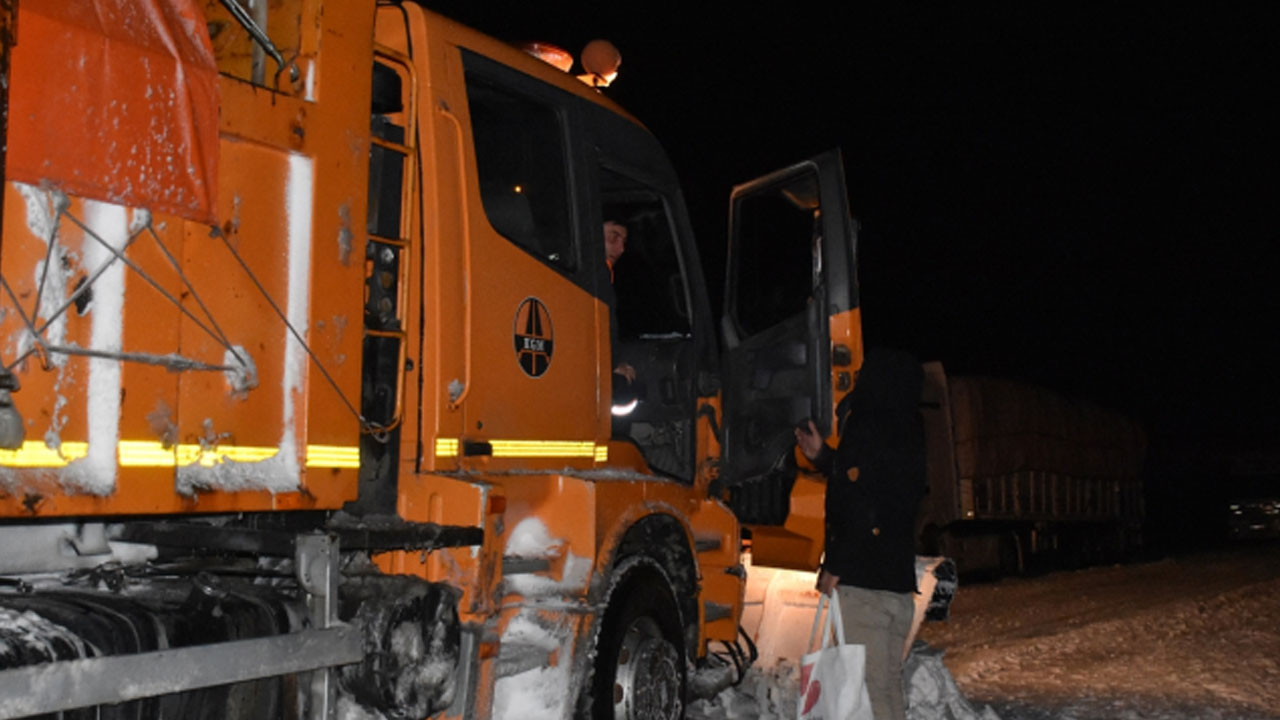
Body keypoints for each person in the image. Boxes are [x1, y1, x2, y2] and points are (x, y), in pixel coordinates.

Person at [794, 348, 926, 720]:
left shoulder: (866, 421)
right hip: (896, 587)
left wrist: (836, 564)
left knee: (869, 697)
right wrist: (825, 458)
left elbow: (860, 502)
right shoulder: (908, 429)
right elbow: (878, 486)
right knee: (886, 688)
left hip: (863, 586)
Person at [603, 220, 635, 384]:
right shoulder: (592, 278)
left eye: (623, 241)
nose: (621, 249)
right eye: (613, 237)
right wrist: (613, 362)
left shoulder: (607, 273)